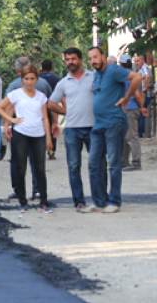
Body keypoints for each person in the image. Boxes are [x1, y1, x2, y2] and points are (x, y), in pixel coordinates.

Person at [81, 47, 148, 214]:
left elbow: (138, 77)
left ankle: (114, 201)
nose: (93, 61)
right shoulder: (96, 74)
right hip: (98, 125)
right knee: (93, 163)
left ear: (103, 56)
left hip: (114, 122)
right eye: (90, 58)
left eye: (95, 57)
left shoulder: (112, 69)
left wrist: (126, 97)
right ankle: (99, 202)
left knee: (114, 163)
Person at [0, 64, 53, 213]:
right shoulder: (16, 94)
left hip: (38, 135)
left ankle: (44, 201)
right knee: (21, 168)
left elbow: (45, 118)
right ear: (22, 79)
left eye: (32, 79)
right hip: (21, 134)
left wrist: (48, 138)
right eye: (26, 79)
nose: (29, 82)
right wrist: (10, 120)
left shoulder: (41, 96)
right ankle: (22, 200)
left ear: (36, 79)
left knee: (40, 169)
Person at [48, 47, 96, 212]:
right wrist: (67, 112)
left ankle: (99, 198)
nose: (70, 62)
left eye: (73, 59)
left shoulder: (94, 77)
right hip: (72, 130)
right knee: (74, 165)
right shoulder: (63, 83)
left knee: (96, 164)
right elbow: (51, 103)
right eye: (67, 59)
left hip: (93, 128)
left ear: (81, 60)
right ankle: (79, 201)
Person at [118, 54, 146, 171]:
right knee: (125, 136)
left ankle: (136, 162)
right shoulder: (135, 76)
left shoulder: (128, 78)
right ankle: (123, 162)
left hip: (130, 109)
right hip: (131, 108)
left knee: (132, 137)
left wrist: (140, 107)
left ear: (121, 65)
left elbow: (137, 94)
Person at [39, 59, 62, 160]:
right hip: (52, 106)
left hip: (39, 107)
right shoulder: (57, 80)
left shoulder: (36, 78)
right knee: (53, 126)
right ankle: (51, 151)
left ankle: (39, 149)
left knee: (40, 127)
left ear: (42, 67)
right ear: (52, 68)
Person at [133, 54, 152, 137]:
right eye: (135, 61)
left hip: (145, 94)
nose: (136, 63)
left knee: (141, 112)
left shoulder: (144, 67)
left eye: (138, 61)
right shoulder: (141, 68)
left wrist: (145, 87)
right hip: (143, 94)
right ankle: (140, 133)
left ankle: (140, 134)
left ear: (142, 60)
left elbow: (147, 76)